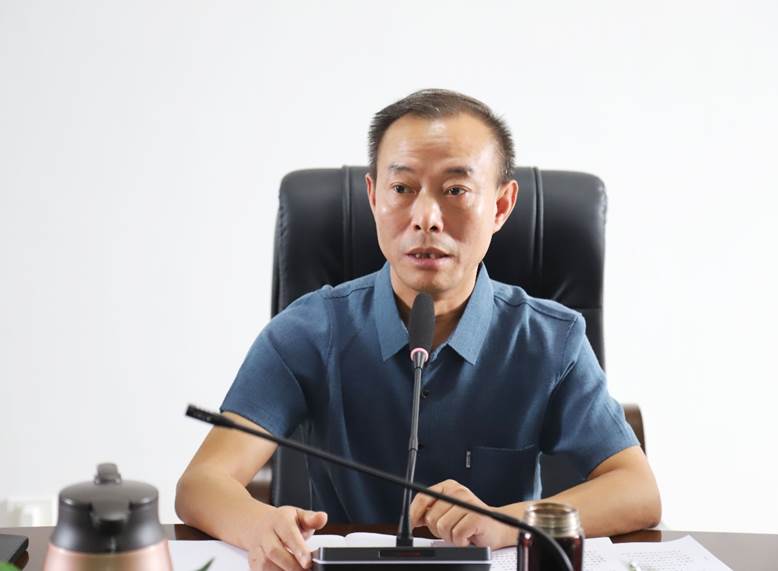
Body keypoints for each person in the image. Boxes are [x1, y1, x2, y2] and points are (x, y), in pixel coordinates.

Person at [176, 89, 661, 571]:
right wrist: (258, 525)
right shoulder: (310, 330)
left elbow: (638, 491)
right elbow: (201, 483)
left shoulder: (551, 339)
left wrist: (504, 523)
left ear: (500, 206)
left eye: (455, 190)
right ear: (373, 197)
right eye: (402, 188)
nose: (426, 219)